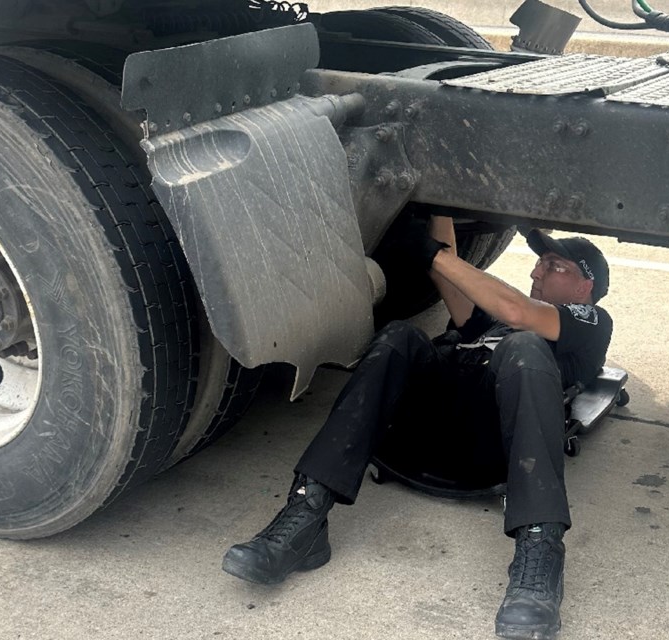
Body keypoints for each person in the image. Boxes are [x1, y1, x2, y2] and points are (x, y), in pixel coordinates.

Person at [222, 214, 612, 640]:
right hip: (417, 439)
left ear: (584, 289)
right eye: (540, 262)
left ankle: (539, 559)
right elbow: (453, 282)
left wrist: (431, 254)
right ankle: (305, 515)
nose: (538, 270)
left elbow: (516, 309)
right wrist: (440, 208)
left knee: (523, 345)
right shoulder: (494, 323)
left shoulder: (589, 324)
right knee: (399, 336)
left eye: (556, 266)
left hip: (495, 447)